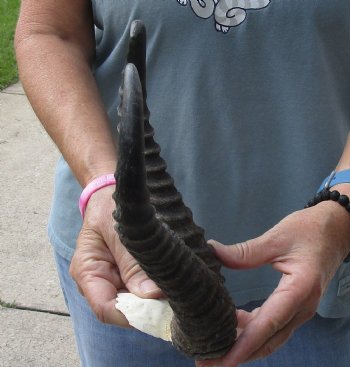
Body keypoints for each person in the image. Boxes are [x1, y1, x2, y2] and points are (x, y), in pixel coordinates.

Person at [15, 1, 350, 366]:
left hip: (324, 266)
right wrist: (101, 186)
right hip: (124, 268)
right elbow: (49, 32)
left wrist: (342, 205)